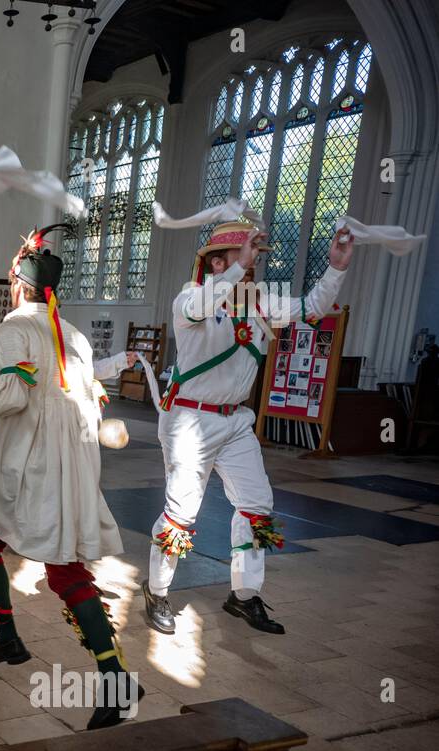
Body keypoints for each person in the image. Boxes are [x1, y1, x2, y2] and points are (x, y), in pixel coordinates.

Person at [0, 225, 140, 730]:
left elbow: (12, 395)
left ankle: (113, 678)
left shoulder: (15, 326)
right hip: (73, 461)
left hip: (27, 460)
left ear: (18, 283)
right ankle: (12, 639)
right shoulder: (74, 334)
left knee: (25, 555)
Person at [142, 222, 356, 636]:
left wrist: (336, 269)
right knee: (182, 513)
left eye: (250, 256)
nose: (248, 263)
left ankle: (242, 595)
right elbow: (205, 302)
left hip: (236, 421)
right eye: (236, 255)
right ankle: (157, 590)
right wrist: (236, 269)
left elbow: (312, 307)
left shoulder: (259, 304)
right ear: (213, 262)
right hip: (189, 420)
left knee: (257, 505)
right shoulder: (190, 299)